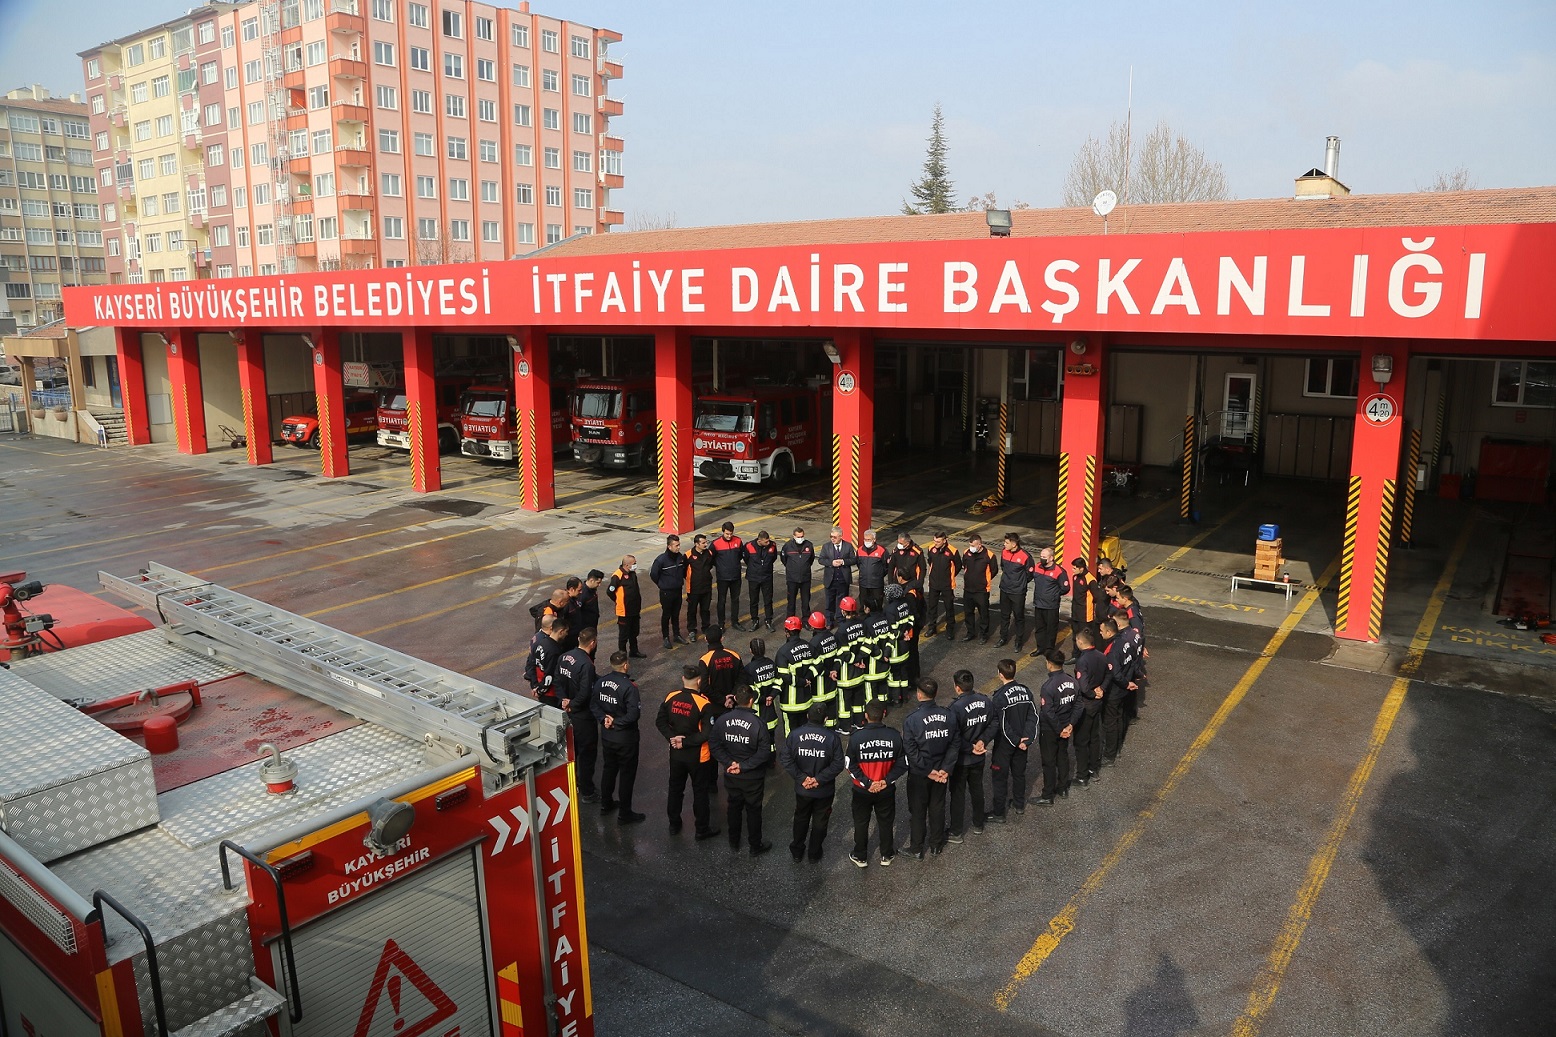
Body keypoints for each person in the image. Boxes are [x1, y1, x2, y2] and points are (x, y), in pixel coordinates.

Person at [656, 664, 720, 839]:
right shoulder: (704, 704)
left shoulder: (671, 697)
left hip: (676, 754)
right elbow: (707, 733)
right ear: (699, 681)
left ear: (683, 679)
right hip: (698, 756)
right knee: (700, 792)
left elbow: (660, 722)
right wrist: (686, 742)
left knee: (675, 789)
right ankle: (701, 829)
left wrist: (673, 738)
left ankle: (674, 824)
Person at [710, 686, 773, 856]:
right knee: (753, 810)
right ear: (751, 700)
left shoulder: (722, 720)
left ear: (736, 699)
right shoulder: (758, 723)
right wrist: (743, 766)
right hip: (752, 776)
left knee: (734, 807)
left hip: (731, 774)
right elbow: (764, 752)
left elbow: (714, 745)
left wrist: (729, 763)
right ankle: (755, 845)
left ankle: (734, 841)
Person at [780, 703, 845, 863]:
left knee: (801, 818)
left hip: (803, 790)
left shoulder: (795, 735)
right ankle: (814, 853)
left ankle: (797, 851)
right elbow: (838, 764)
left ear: (807, 716)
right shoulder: (832, 738)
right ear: (826, 719)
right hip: (824, 791)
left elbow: (786, 759)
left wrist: (802, 778)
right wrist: (818, 780)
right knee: (820, 821)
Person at [845, 699, 907, 868]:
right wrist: (885, 781)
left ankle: (860, 856)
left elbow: (849, 764)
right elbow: (903, 763)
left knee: (861, 822)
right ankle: (886, 855)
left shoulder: (856, 737)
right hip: (885, 790)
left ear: (866, 716)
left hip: (862, 790)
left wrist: (867, 783)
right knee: (886, 822)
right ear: (884, 714)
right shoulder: (894, 736)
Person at [901, 677, 957, 860]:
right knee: (937, 807)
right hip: (941, 772)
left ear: (918, 695)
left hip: (920, 774)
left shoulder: (912, 720)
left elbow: (911, 751)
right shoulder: (948, 715)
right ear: (936, 694)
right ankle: (936, 844)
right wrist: (945, 769)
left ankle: (917, 848)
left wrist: (927, 771)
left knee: (918, 811)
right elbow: (954, 744)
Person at [592, 651, 645, 825]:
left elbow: (594, 705)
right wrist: (616, 722)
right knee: (627, 775)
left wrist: (604, 720)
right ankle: (625, 813)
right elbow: (633, 714)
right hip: (625, 739)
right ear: (625, 665)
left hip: (607, 737)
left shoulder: (601, 681)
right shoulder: (629, 687)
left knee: (609, 770)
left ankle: (606, 804)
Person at [987, 658, 1037, 822]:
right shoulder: (1026, 691)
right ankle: (1019, 804)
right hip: (1022, 742)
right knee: (1019, 774)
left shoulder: (999, 697)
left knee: (1000, 777)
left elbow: (1002, 725)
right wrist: (1026, 740)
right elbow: (1033, 717)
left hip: (1005, 744)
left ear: (1000, 674)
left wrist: (1016, 740)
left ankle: (999, 812)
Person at [948, 668, 991, 841]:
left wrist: (970, 747)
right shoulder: (985, 701)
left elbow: (954, 737)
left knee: (958, 795)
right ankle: (978, 823)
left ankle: (956, 831)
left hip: (961, 760)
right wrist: (983, 741)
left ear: (957, 688)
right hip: (979, 757)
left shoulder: (955, 708)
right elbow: (993, 722)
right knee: (977, 789)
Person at [557, 627, 599, 802]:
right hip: (582, 716)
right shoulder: (586, 664)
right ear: (593, 643)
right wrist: (573, 705)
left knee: (571, 752)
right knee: (587, 753)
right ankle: (587, 792)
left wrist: (563, 701)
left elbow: (557, 681)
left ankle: (571, 784)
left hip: (567, 711)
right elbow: (585, 693)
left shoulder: (564, 657)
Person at [1036, 651, 1082, 805]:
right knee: (1062, 756)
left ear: (1049, 663)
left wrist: (1059, 729)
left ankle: (1047, 795)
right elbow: (1078, 704)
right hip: (1066, 725)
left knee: (1049, 761)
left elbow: (1048, 712)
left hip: (1050, 729)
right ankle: (1062, 787)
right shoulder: (1072, 681)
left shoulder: (1048, 687)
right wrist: (1070, 725)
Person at [1099, 618, 1139, 766]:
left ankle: (1109, 755)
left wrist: (1126, 683)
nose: (1100, 633)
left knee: (1110, 722)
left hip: (1114, 692)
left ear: (1109, 632)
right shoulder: (1125, 641)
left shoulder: (1112, 650)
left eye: (1102, 631)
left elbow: (1114, 674)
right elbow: (1133, 660)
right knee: (1120, 717)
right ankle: (1118, 747)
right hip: (1123, 690)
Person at [1072, 629, 1107, 787]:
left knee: (1081, 741)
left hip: (1086, 705)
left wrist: (1093, 694)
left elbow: (1084, 687)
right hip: (1098, 703)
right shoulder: (1101, 655)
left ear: (1080, 642)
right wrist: (1102, 690)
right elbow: (1109, 674)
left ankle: (1082, 776)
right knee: (1094, 738)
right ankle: (1094, 769)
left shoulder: (1082, 661)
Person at [773, 615, 816, 737]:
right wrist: (807, 679)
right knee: (805, 733)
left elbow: (784, 676)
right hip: (806, 700)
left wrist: (802, 682)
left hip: (790, 703)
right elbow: (818, 664)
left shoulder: (782, 652)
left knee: (790, 734)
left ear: (787, 632)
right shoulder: (808, 646)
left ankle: (791, 755)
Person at [833, 597, 870, 730]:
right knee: (858, 700)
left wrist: (854, 661)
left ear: (843, 611)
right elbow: (868, 644)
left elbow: (844, 653)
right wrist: (860, 658)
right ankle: (859, 722)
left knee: (844, 703)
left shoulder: (841, 631)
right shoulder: (862, 624)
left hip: (846, 675)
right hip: (860, 674)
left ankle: (845, 727)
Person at [1028, 547, 1070, 659]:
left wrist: (1054, 595)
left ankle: (1049, 649)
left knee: (1051, 629)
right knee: (1040, 628)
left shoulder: (1059, 571)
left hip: (1051, 606)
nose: (1042, 559)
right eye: (1041, 556)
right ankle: (1040, 648)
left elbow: (1065, 588)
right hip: (1038, 604)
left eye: (1044, 557)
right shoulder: (1037, 567)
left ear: (1051, 558)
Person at [650, 535, 690, 650]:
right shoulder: (661, 560)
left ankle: (676, 635)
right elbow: (654, 575)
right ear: (669, 546)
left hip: (677, 591)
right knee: (666, 615)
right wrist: (662, 585)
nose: (678, 547)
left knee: (676, 614)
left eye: (679, 545)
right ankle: (666, 637)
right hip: (666, 593)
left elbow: (684, 571)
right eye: (676, 545)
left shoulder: (680, 558)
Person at [744, 637, 783, 754]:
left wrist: (763, 698)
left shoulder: (749, 669)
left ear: (751, 651)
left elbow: (752, 691)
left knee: (758, 740)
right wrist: (771, 696)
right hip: (771, 710)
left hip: (757, 713)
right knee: (771, 739)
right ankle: (772, 760)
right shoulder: (771, 664)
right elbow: (778, 682)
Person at [997, 533, 1036, 650]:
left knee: (1018, 616)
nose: (1004, 544)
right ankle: (1003, 637)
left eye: (1007, 543)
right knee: (1004, 615)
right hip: (1005, 589)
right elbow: (1003, 566)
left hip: (1017, 592)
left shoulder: (1025, 556)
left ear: (1014, 544)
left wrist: (1020, 583)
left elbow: (1030, 574)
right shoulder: (1004, 552)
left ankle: (1018, 641)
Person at [605, 556, 646, 659]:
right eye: (634, 563)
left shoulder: (632, 573)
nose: (636, 565)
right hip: (624, 611)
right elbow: (610, 591)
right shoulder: (617, 576)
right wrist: (618, 601)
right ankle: (622, 655)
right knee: (624, 635)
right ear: (627, 565)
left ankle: (634, 651)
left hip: (634, 609)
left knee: (634, 632)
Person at [698, 624, 743, 717]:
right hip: (733, 705)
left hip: (714, 707)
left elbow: (704, 687)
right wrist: (732, 697)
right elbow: (741, 679)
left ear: (706, 639)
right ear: (722, 638)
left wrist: (722, 700)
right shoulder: (735, 656)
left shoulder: (705, 660)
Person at [923, 532, 961, 639]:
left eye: (938, 541)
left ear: (945, 540)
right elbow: (930, 562)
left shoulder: (953, 551)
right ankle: (932, 627)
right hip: (934, 583)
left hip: (947, 585)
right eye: (934, 541)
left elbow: (958, 566)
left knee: (949, 607)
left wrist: (950, 576)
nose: (935, 543)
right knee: (932, 607)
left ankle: (950, 630)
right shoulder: (931, 548)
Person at [883, 581, 915, 705]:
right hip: (905, 647)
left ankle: (896, 698)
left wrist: (901, 634)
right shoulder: (905, 604)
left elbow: (892, 631)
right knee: (904, 673)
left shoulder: (890, 609)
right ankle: (905, 695)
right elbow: (911, 619)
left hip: (895, 648)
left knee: (895, 675)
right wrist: (906, 631)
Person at [818, 526, 857, 627]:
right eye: (831, 536)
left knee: (842, 601)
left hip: (843, 580)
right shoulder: (826, 546)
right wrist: (831, 562)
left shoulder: (848, 546)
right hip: (830, 579)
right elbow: (821, 559)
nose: (832, 539)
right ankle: (829, 622)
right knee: (829, 602)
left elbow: (853, 560)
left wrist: (843, 562)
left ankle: (840, 620)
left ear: (840, 536)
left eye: (835, 537)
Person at [806, 610, 840, 726]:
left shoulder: (814, 642)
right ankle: (832, 728)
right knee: (831, 709)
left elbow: (816, 665)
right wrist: (834, 671)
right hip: (832, 683)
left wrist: (828, 672)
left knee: (819, 711)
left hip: (820, 685)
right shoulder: (831, 637)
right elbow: (837, 657)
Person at [960, 534, 995, 644]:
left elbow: (993, 571)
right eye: (970, 545)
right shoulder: (966, 553)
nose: (971, 547)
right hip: (968, 589)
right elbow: (964, 565)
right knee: (968, 612)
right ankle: (970, 633)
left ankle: (983, 634)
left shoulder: (989, 556)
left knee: (983, 613)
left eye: (973, 545)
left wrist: (984, 581)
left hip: (982, 590)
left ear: (980, 544)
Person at [1069, 558, 1108, 655]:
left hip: (1085, 613)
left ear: (1081, 568)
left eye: (1074, 568)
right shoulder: (1075, 577)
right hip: (1075, 611)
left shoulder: (1090, 580)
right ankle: (1076, 654)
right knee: (1075, 634)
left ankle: (1086, 655)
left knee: (1085, 636)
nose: (1072, 570)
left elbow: (1097, 597)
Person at [526, 616, 567, 708]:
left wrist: (535, 686)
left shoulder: (540, 641)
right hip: (550, 692)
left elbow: (533, 663)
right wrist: (539, 690)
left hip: (541, 686)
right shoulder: (552, 649)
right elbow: (549, 675)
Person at [711, 521, 745, 631]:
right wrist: (721, 567)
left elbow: (740, 555)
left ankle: (735, 621)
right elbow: (711, 559)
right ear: (723, 532)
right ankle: (721, 623)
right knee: (722, 601)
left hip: (736, 577)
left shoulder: (738, 541)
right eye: (727, 534)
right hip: (722, 578)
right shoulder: (715, 544)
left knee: (735, 600)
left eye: (731, 534)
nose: (729, 536)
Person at [743, 529, 779, 632]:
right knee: (754, 600)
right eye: (766, 542)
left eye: (768, 541)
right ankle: (755, 621)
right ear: (759, 541)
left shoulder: (772, 546)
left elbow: (774, 557)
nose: (768, 543)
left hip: (767, 577)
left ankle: (768, 620)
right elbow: (746, 559)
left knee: (768, 600)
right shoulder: (749, 546)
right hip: (753, 577)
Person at [862, 596, 894, 708]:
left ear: (868, 609)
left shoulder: (866, 623)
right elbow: (891, 637)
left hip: (872, 669)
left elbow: (870, 645)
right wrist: (886, 654)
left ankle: (873, 712)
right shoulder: (885, 620)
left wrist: (880, 656)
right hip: (884, 667)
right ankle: (883, 710)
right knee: (883, 691)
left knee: (871, 693)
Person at [781, 526, 816, 620]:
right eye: (798, 537)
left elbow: (811, 559)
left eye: (802, 536)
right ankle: (790, 620)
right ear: (794, 536)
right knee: (791, 601)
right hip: (792, 579)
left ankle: (806, 620)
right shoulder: (787, 546)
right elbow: (784, 559)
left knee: (805, 601)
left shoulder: (809, 545)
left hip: (805, 578)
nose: (800, 539)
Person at [685, 533, 715, 641]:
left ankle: (706, 627)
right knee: (692, 610)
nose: (706, 544)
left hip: (706, 587)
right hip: (693, 589)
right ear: (696, 544)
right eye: (703, 543)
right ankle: (692, 630)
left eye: (706, 542)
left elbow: (710, 565)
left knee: (705, 609)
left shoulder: (709, 553)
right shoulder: (688, 555)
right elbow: (684, 570)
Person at [855, 528, 889, 612]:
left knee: (877, 605)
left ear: (874, 540)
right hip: (864, 584)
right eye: (865, 539)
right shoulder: (860, 550)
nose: (866, 541)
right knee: (863, 605)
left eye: (868, 539)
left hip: (876, 585)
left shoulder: (882, 551)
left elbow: (886, 566)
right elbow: (858, 564)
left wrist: (878, 575)